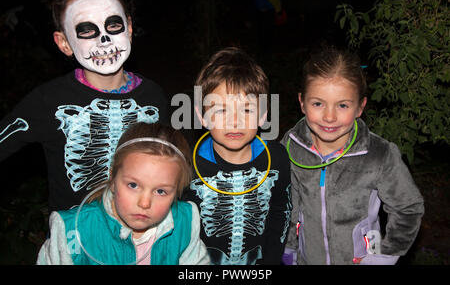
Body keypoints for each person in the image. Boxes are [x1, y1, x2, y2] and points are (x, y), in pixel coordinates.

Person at [0, 0, 169, 213]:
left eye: (113, 25)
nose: (104, 40)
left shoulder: (154, 97)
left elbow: (168, 169)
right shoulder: (49, 100)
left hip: (142, 240)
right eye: (87, 30)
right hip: (75, 243)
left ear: (129, 28)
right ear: (64, 43)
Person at [281, 46, 424, 265]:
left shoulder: (379, 154)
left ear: (360, 107)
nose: (329, 116)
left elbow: (408, 207)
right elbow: (287, 204)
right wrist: (288, 249)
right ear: (302, 102)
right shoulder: (291, 147)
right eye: (318, 103)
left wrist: (383, 256)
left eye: (343, 105)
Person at [37, 122, 210, 265]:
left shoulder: (185, 222)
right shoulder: (73, 230)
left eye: (160, 191)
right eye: (133, 185)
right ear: (113, 178)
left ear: (176, 192)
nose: (144, 203)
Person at [183, 47, 292, 265]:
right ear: (201, 117)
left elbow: (281, 212)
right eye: (221, 110)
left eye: (247, 110)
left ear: (262, 115)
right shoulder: (187, 166)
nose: (235, 121)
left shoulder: (278, 157)